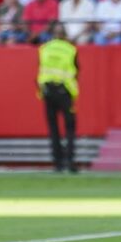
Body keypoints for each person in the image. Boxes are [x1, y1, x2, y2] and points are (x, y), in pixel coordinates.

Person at [37, 23, 78, 173]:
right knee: (70, 128)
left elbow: (40, 69)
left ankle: (57, 163)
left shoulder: (45, 48)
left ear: (53, 34)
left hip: (48, 92)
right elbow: (76, 71)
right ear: (65, 35)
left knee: (53, 129)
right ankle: (71, 162)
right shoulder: (70, 49)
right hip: (65, 92)